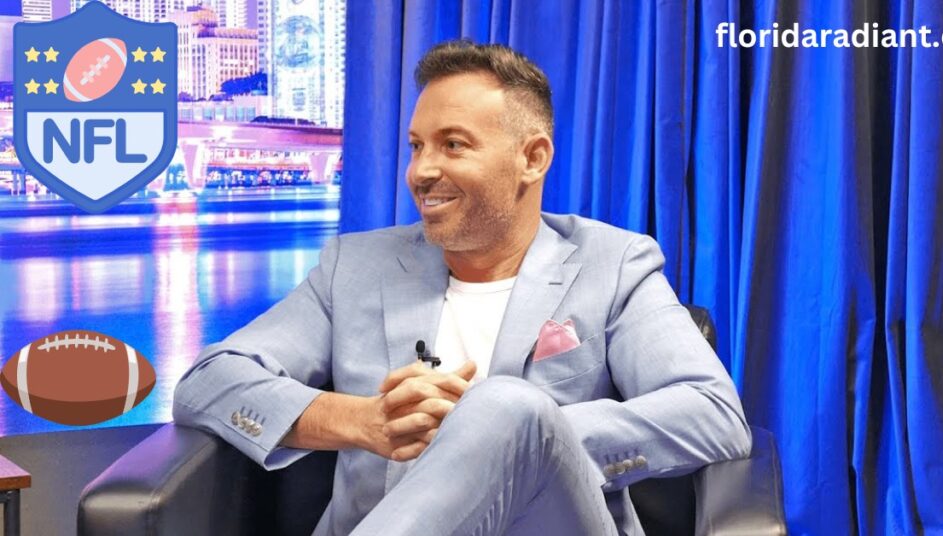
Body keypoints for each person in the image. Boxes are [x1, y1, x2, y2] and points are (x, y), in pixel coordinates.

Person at [173, 40, 751, 536]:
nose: (421, 171)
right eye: (416, 145)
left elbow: (712, 414)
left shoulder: (613, 263)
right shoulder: (355, 266)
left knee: (504, 406)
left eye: (453, 145)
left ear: (532, 158)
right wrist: (362, 420)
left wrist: (518, 435)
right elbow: (209, 381)